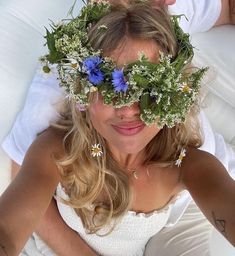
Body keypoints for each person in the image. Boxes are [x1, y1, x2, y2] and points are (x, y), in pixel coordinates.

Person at [1, 0, 235, 256]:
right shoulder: (54, 144)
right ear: (82, 91)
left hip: (181, 201)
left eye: (148, 91)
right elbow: (10, 223)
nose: (128, 110)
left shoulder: (189, 164)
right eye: (110, 90)